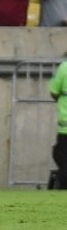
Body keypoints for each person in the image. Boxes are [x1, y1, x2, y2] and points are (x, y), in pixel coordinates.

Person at [50, 56, 67, 188]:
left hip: (65, 128)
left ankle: (61, 187)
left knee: (62, 157)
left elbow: (53, 91)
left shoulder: (64, 67)